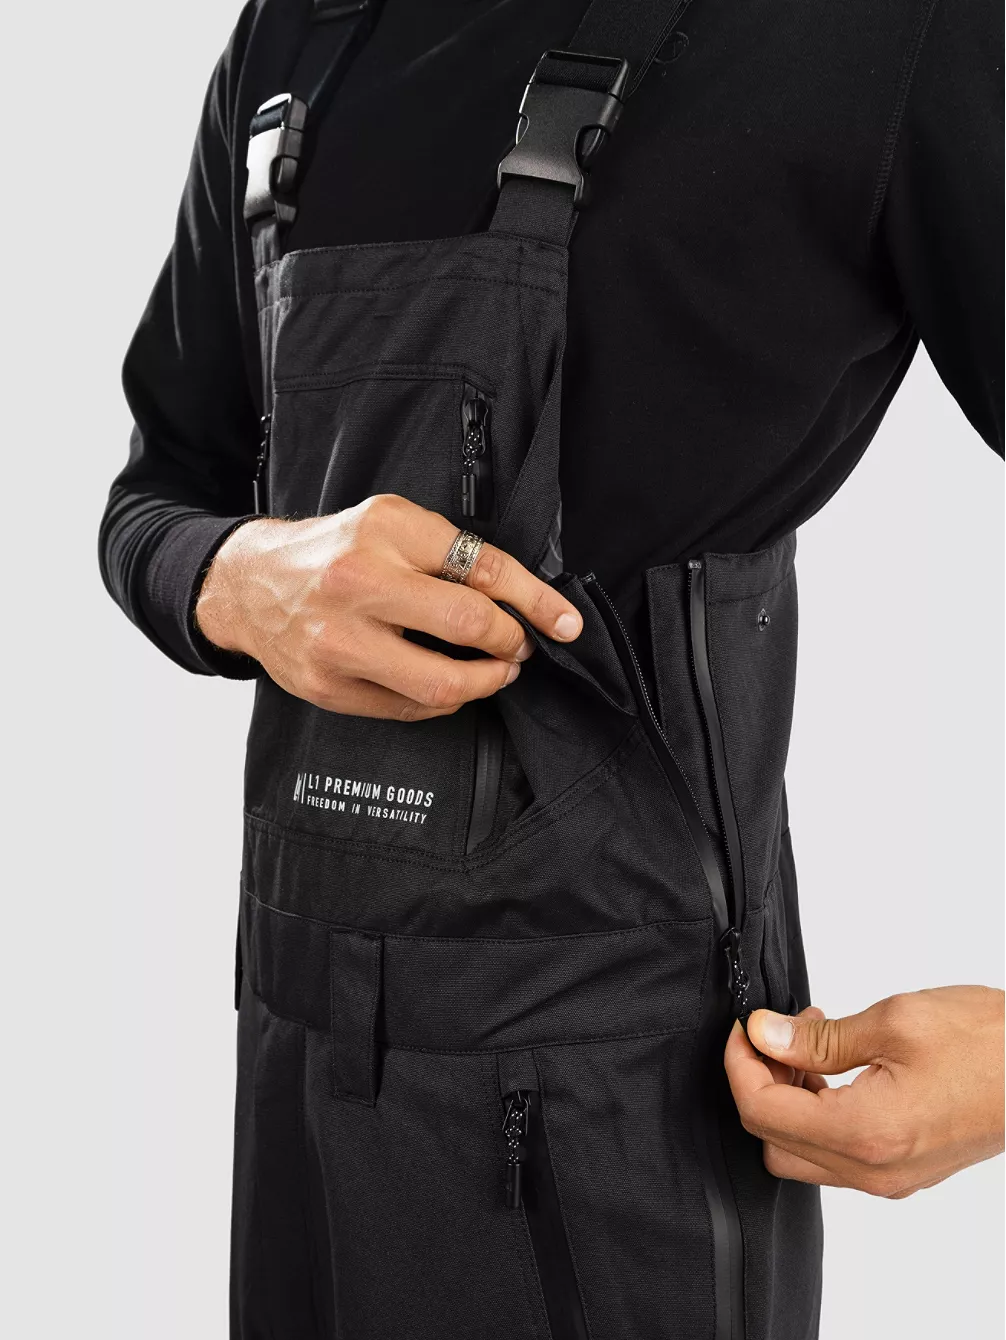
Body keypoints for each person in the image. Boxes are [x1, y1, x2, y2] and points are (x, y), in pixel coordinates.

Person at [99, 1, 1004, 1336]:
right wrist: (228, 575)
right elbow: (157, 495)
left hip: (623, 1132)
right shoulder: (296, 33)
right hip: (295, 1067)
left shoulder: (885, 29)